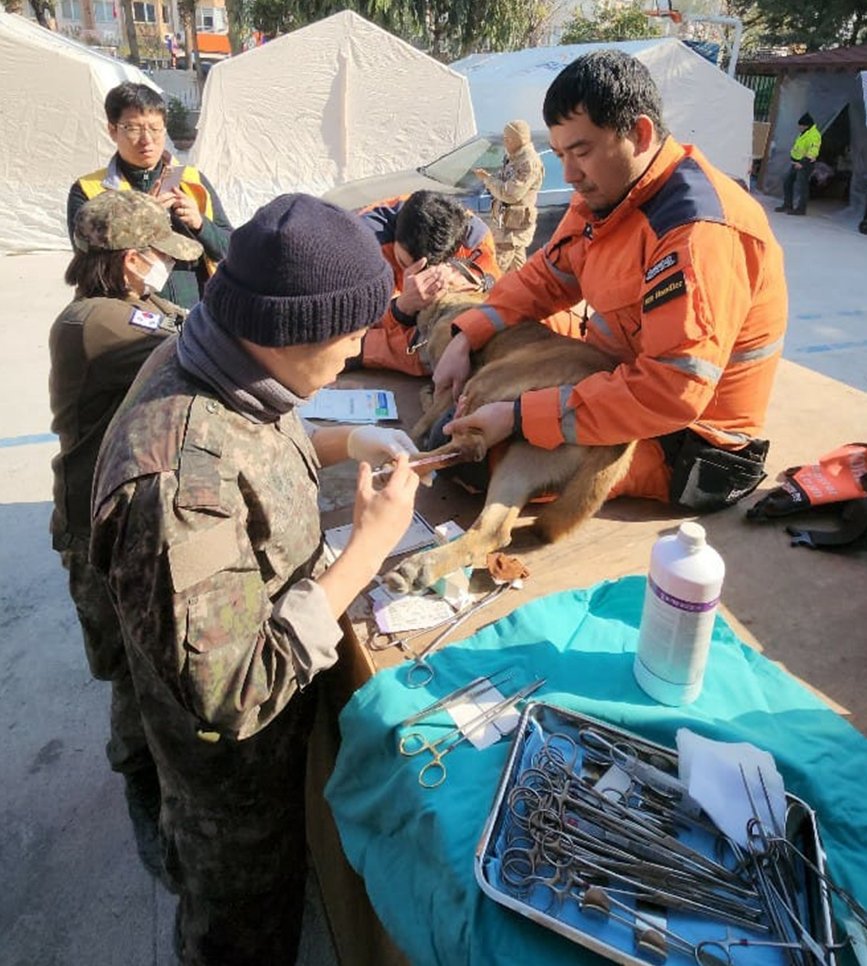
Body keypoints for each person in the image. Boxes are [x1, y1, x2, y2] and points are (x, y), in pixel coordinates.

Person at [89, 194, 421, 965]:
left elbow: (262, 435)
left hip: (255, 742)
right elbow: (236, 688)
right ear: (284, 333)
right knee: (242, 921)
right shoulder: (180, 487)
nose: (355, 350)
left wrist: (345, 440)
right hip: (228, 783)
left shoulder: (219, 356)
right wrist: (366, 551)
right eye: (346, 337)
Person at [433, 50, 788, 512]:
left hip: (685, 442)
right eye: (560, 154)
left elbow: (671, 394)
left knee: (475, 457)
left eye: (581, 152)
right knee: (468, 358)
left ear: (639, 134)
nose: (569, 174)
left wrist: (521, 417)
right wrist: (468, 335)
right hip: (611, 380)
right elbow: (545, 278)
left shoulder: (697, 234)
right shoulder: (607, 194)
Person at [49, 190, 203, 879]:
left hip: (130, 514)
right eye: (160, 259)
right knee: (131, 673)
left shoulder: (132, 309)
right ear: (132, 259)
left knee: (152, 660)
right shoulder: (93, 323)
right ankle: (142, 785)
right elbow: (195, 347)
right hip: (97, 532)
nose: (167, 271)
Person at [67, 81, 232, 309]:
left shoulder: (193, 181)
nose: (147, 140)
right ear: (113, 130)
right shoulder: (89, 190)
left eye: (155, 129)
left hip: (198, 313)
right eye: (133, 128)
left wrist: (200, 225)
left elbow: (231, 249)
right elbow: (89, 265)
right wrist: (144, 218)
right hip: (129, 316)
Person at [356, 190, 500, 375]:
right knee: (443, 347)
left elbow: (495, 292)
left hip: (434, 327)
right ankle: (367, 350)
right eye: (403, 264)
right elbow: (358, 320)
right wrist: (402, 307)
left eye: (426, 270)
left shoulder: (474, 239)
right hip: (383, 325)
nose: (415, 277)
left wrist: (470, 282)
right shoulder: (365, 246)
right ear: (395, 237)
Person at [473, 119, 545, 272]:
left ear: (520, 139)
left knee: (495, 269)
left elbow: (510, 194)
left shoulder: (529, 163)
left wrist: (488, 180)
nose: (505, 142)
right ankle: (525, 294)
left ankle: (490, 294)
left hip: (513, 228)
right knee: (518, 271)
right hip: (505, 224)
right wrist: (490, 177)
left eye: (508, 138)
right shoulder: (513, 157)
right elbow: (504, 179)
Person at [775, 112, 822, 216]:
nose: (799, 128)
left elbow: (813, 151)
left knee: (802, 186)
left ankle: (801, 209)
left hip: (805, 164)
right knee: (787, 182)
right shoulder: (804, 133)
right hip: (796, 162)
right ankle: (788, 204)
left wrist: (803, 163)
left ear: (806, 125)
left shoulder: (814, 135)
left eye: (800, 125)